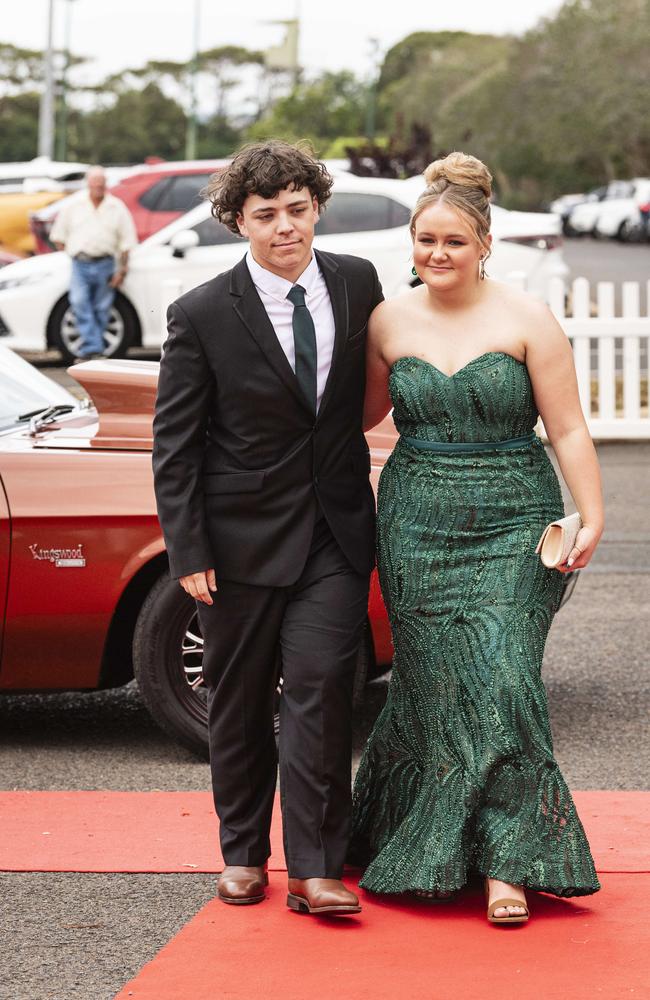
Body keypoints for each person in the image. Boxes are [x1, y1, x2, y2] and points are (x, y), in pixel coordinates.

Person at [351, 151, 603, 924]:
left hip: (515, 520)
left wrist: (591, 514)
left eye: (453, 241)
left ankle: (510, 861)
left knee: (503, 680)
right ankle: (425, 834)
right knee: (433, 689)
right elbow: (356, 420)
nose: (436, 254)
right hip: (416, 521)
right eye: (425, 240)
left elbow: (566, 428)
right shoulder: (388, 320)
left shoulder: (527, 318)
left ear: (484, 243)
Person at [152, 141, 383, 916]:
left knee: (319, 689)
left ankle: (318, 868)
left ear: (316, 205)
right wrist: (188, 549)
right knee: (241, 701)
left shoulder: (357, 282)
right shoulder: (202, 313)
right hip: (236, 541)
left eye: (297, 208)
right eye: (265, 215)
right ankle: (243, 853)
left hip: (336, 533)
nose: (285, 226)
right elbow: (175, 446)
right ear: (236, 221)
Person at [50, 166, 136, 360]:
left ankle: (93, 349)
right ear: (88, 184)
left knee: (101, 307)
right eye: (94, 182)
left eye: (101, 183)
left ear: (105, 184)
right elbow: (58, 236)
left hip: (105, 263)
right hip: (80, 263)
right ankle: (93, 347)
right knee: (79, 302)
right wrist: (70, 252)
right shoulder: (73, 206)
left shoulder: (116, 207)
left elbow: (127, 243)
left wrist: (122, 270)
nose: (98, 186)